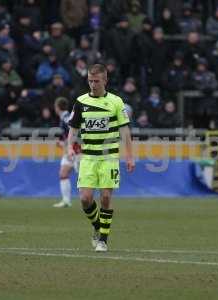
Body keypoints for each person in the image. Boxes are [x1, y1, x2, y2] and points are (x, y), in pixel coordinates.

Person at [67, 64, 135, 252]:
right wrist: (69, 147)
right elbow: (73, 128)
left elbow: (125, 131)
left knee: (105, 197)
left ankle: (103, 240)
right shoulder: (80, 102)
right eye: (90, 80)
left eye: (96, 81)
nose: (93, 84)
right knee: (85, 199)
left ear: (105, 80)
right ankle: (98, 226)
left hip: (109, 157)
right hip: (88, 157)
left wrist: (129, 156)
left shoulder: (116, 102)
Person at [53, 97, 80, 208]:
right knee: (63, 173)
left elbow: (74, 132)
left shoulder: (66, 117)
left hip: (75, 150)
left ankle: (91, 198)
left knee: (83, 177)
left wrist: (65, 144)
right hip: (71, 150)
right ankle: (66, 201)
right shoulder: (65, 117)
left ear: (57, 107)